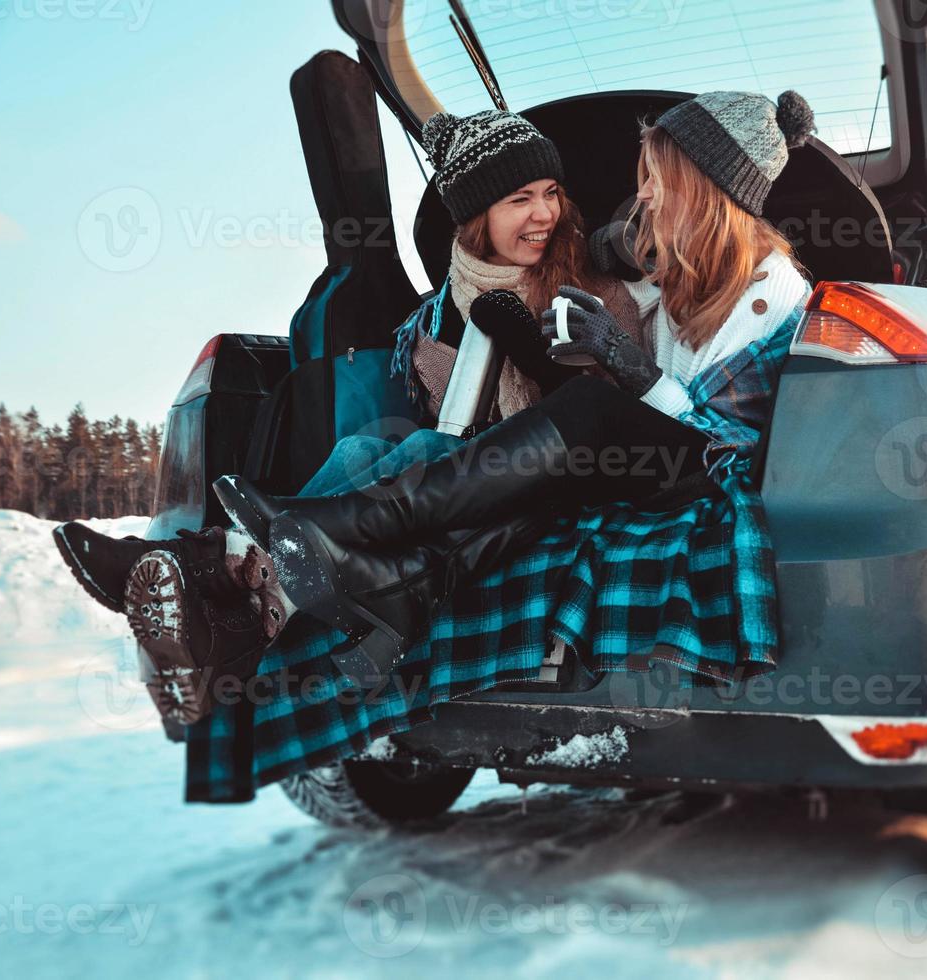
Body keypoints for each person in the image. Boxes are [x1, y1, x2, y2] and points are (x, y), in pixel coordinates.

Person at [58, 90, 816, 724]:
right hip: (621, 454)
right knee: (389, 453)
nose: (643, 193)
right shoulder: (678, 278)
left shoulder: (771, 292)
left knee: (567, 421)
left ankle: (295, 542)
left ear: (708, 191)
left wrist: (627, 367)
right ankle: (238, 590)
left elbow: (725, 445)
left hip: (698, 474)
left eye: (659, 180)